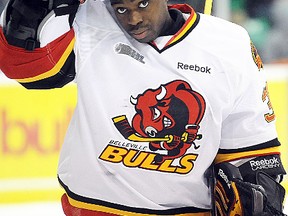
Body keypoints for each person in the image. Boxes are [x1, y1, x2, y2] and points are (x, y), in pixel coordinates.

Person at [0, 0, 286, 215]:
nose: (134, 18)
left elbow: (251, 150)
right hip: (94, 209)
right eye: (121, 8)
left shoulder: (228, 44)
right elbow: (24, 65)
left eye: (143, 4)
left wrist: (259, 191)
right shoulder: (92, 21)